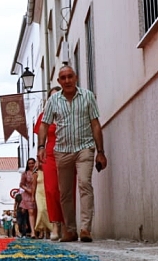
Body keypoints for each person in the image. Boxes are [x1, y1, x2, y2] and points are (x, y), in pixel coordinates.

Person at [37, 63, 106, 243]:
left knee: (84, 184)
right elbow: (44, 124)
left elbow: (95, 124)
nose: (67, 80)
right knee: (65, 193)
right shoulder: (53, 101)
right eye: (63, 78)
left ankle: (85, 229)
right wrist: (41, 147)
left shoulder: (88, 96)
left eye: (70, 76)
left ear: (75, 78)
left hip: (85, 148)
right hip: (62, 151)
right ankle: (70, 230)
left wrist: (100, 151)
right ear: (59, 81)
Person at [34, 87, 64, 238]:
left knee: (65, 190)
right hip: (50, 154)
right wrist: (39, 153)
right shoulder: (44, 116)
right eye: (52, 97)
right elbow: (40, 137)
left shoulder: (68, 114)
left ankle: (68, 225)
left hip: (67, 152)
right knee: (51, 190)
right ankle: (55, 225)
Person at [18, 158, 38, 237]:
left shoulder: (38, 172)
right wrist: (28, 190)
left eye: (32, 163)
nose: (31, 165)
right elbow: (21, 184)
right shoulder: (25, 173)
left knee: (38, 212)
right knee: (31, 212)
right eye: (29, 163)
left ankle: (39, 231)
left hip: (38, 193)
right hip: (28, 195)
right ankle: (33, 231)